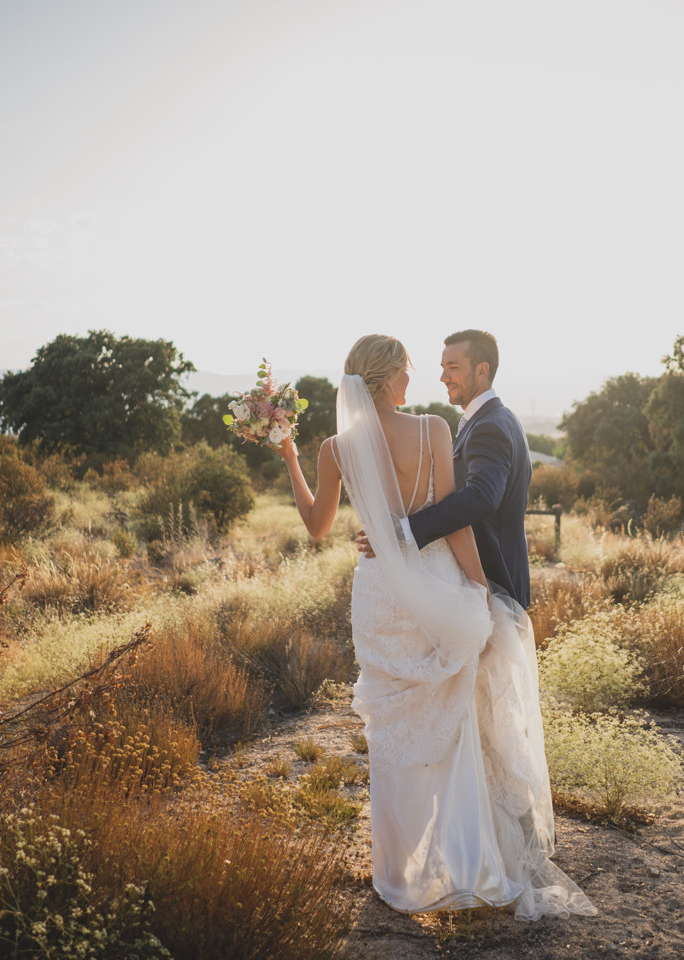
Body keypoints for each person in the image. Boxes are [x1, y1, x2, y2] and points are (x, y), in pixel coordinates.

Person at [279, 334, 594, 921]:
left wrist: (291, 459)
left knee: (393, 734)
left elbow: (318, 526)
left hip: (379, 592)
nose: (416, 375)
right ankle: (466, 863)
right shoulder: (433, 430)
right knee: (454, 732)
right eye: (409, 367)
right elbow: (457, 524)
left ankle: (397, 872)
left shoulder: (333, 448)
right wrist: (475, 587)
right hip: (436, 586)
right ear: (391, 375)